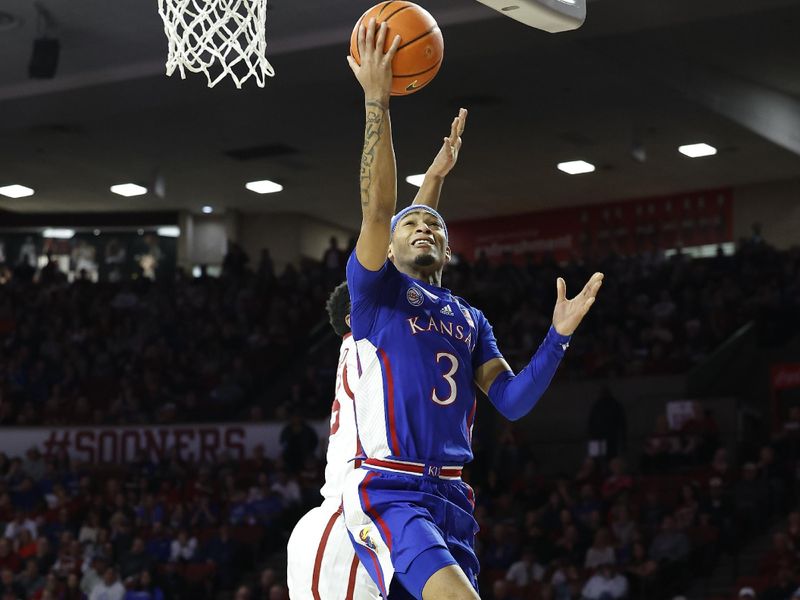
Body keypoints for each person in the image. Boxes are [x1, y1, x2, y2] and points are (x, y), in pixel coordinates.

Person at [342, 17, 603, 600]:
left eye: (433, 223)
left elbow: (510, 401)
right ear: (387, 244)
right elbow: (381, 207)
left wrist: (556, 337)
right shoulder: (376, 292)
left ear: (450, 248)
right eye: (410, 224)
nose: (423, 226)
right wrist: (376, 99)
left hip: (454, 498)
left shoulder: (469, 319)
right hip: (392, 491)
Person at [287, 107, 467, 600]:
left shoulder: (391, 327)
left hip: (383, 516)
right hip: (346, 526)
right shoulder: (370, 325)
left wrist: (433, 181)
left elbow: (404, 244)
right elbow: (389, 237)